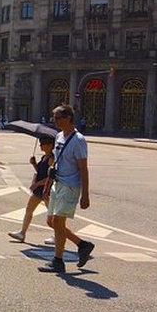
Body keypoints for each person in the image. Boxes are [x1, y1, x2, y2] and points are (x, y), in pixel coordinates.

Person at [39, 104, 95, 273]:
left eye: (57, 118)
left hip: (70, 185)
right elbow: (56, 162)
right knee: (51, 222)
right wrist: (48, 184)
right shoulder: (58, 136)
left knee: (58, 221)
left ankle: (58, 261)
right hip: (57, 183)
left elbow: (83, 168)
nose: (54, 121)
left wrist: (85, 195)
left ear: (68, 118)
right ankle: (82, 245)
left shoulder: (78, 140)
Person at [9, 136, 54, 242]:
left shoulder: (52, 158)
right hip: (39, 190)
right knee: (29, 209)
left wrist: (37, 184)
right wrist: (34, 164)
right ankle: (22, 233)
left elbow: (51, 177)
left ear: (50, 145)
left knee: (51, 214)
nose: (41, 146)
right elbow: (40, 171)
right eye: (40, 144)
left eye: (43, 144)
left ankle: (58, 235)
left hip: (47, 190)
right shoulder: (44, 157)